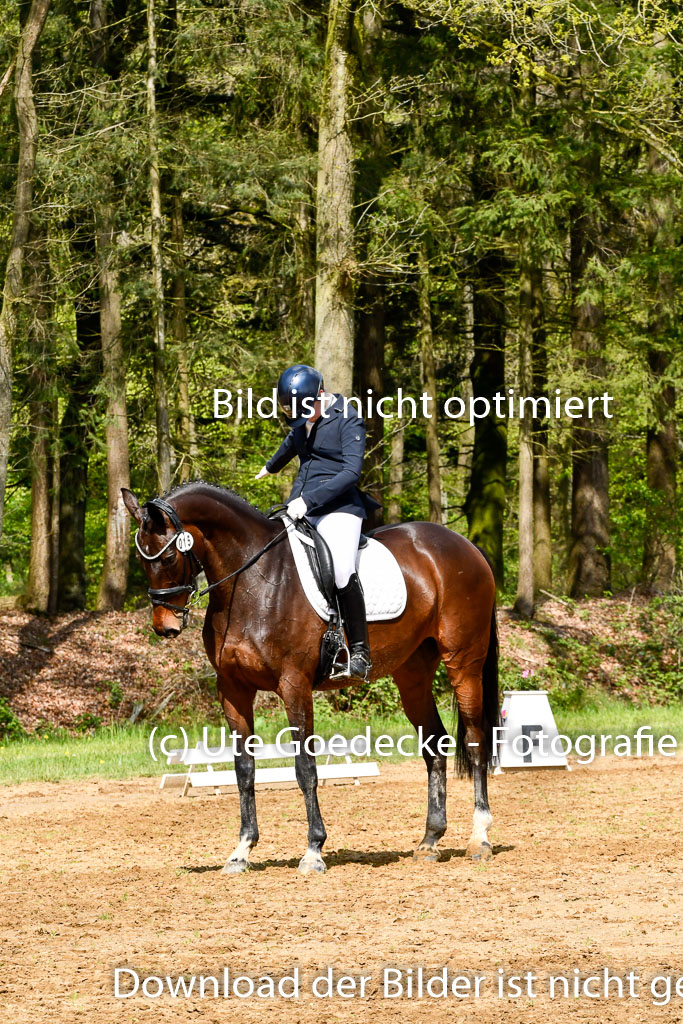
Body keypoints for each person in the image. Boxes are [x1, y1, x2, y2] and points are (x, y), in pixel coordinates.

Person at [255, 364, 379, 682]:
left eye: (306, 413)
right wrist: (270, 467)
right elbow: (291, 442)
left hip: (340, 508)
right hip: (301, 506)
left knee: (340, 569)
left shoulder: (348, 417)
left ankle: (361, 652)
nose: (303, 420)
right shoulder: (303, 419)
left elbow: (352, 473)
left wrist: (309, 501)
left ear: (320, 396)